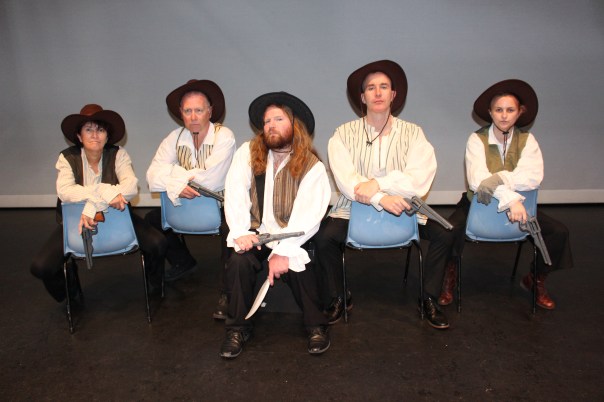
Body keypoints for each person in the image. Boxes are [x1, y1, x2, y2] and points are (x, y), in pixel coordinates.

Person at [314, 60, 452, 329]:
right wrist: (382, 198)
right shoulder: (342, 134)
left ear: (393, 95)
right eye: (371, 88)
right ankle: (339, 297)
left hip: (405, 208)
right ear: (362, 97)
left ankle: (429, 298)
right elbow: (347, 182)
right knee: (323, 239)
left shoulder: (414, 133)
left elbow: (418, 181)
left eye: (384, 87)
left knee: (445, 235)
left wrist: (378, 183)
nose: (377, 93)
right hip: (353, 209)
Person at [438, 79, 573, 309]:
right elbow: (478, 181)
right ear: (490, 112)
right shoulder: (476, 139)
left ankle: (535, 278)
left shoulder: (528, 141)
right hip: (479, 203)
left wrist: (498, 178)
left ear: (520, 112)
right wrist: (510, 198)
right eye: (498, 110)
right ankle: (450, 277)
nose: (503, 115)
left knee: (558, 233)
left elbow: (533, 177)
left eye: (510, 110)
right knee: (448, 232)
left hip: (521, 206)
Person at [219, 92, 332, 359]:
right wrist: (240, 232)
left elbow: (309, 215)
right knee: (239, 261)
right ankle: (237, 329)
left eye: (278, 119)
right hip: (257, 233)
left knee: (298, 262)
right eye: (267, 120)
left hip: (294, 235)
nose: (270, 125)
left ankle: (316, 326)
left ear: (295, 124)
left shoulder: (312, 166)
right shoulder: (248, 153)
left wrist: (284, 250)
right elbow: (234, 192)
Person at [30, 104, 166, 304]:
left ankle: (154, 284)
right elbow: (65, 192)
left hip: (118, 217)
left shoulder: (119, 154)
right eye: (88, 129)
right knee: (41, 267)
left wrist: (93, 203)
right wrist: (105, 192)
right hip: (77, 222)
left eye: (100, 130)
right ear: (79, 136)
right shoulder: (67, 157)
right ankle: (70, 290)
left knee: (158, 243)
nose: (95, 135)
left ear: (107, 135)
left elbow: (130, 187)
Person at [146, 79, 236, 319]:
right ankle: (182, 261)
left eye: (199, 110)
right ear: (181, 113)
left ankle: (227, 293)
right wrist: (179, 183)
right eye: (188, 111)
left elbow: (212, 180)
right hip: (184, 207)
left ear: (210, 111)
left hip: (219, 206)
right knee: (152, 221)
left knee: (232, 229)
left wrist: (173, 177)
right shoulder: (174, 138)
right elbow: (152, 177)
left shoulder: (224, 136)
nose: (194, 117)